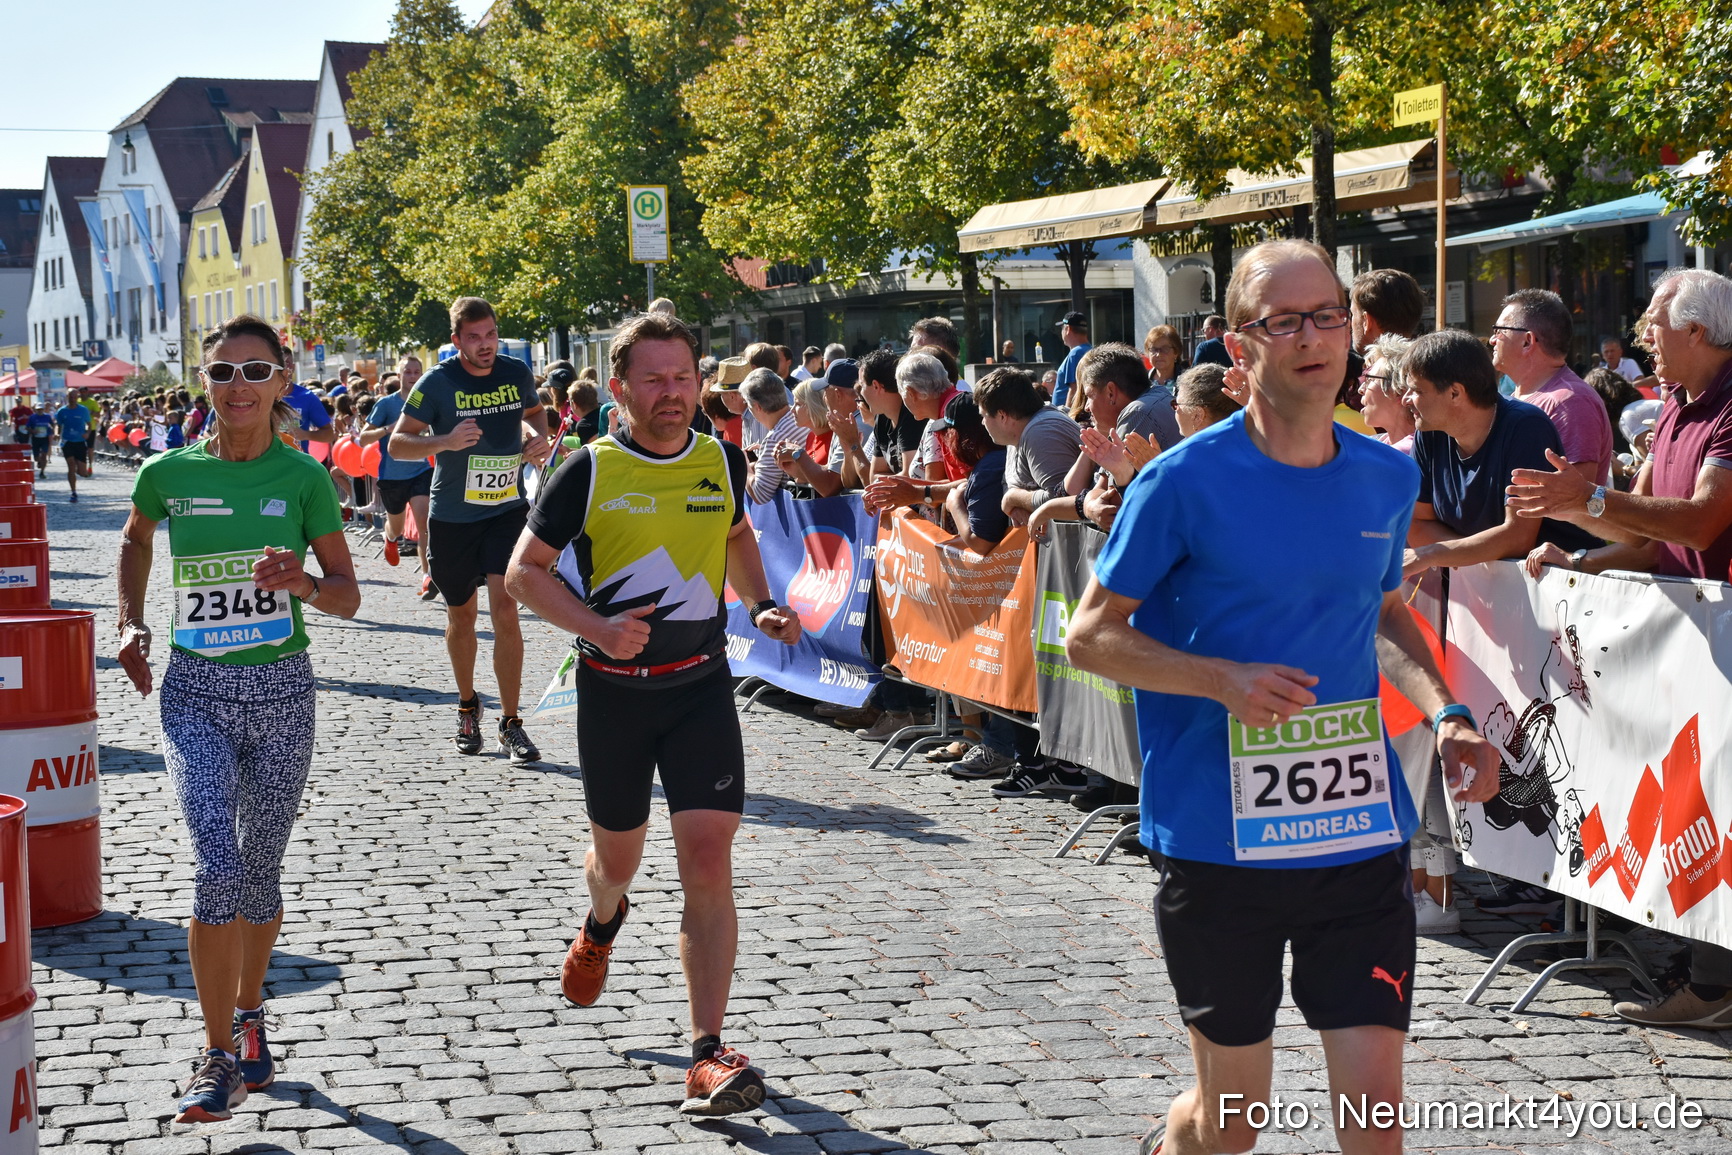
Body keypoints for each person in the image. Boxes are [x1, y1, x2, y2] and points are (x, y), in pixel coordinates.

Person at [1064, 239, 1499, 1155]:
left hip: (1354, 829)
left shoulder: (1385, 472)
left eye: (1328, 315)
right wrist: (1222, 680)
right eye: (1284, 321)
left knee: (1375, 1114)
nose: (1313, 337)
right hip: (1220, 838)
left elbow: (1383, 614)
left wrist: (1447, 712)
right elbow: (1091, 634)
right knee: (1232, 1122)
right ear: (1238, 344)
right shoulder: (1180, 481)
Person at [504, 311, 801, 1116]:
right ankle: (602, 921)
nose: (671, 394)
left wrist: (762, 603)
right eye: (654, 379)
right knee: (619, 864)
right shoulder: (589, 470)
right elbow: (523, 575)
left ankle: (707, 1052)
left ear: (700, 380)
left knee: (708, 859)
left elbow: (738, 536)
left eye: (683, 377)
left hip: (700, 686)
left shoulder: (721, 457)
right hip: (614, 696)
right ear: (623, 386)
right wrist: (598, 628)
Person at [115, 313, 360, 1123]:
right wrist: (131, 619)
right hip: (196, 693)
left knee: (260, 874)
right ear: (205, 384)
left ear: (283, 383)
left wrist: (302, 584)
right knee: (216, 866)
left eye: (256, 372)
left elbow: (348, 594)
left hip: (285, 691)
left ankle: (252, 1009)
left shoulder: (304, 478)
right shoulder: (168, 472)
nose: (239, 388)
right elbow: (136, 537)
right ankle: (217, 1052)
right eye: (223, 373)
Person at [1511, 269, 1732, 1029]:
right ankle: (1704, 971)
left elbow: (1701, 523)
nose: (1643, 338)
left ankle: (1711, 985)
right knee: (1693, 803)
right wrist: (1581, 553)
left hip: (1719, 642)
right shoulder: (1672, 407)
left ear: (1699, 332)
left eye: (1654, 325)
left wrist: (1588, 502)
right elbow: (1646, 536)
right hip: (1691, 646)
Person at [388, 297, 552, 763]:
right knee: (462, 617)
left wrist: (535, 439)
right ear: (457, 341)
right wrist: (446, 440)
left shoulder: (515, 372)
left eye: (491, 335)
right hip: (454, 518)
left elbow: (534, 412)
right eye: (474, 337)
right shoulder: (437, 383)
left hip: (505, 510)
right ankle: (467, 705)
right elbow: (399, 446)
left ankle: (511, 721)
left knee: (506, 610)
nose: (485, 345)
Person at [1401, 329, 1599, 581]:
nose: (1406, 399)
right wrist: (1463, 555)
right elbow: (1418, 523)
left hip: (1556, 595)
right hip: (1492, 596)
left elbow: (1517, 537)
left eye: (1416, 390)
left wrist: (1435, 554)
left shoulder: (1526, 427)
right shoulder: (1429, 431)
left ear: (1455, 393)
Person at [1491, 289, 1614, 486]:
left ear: (1527, 341)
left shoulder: (1569, 402)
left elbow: (1576, 499)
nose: (1492, 340)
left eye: (1499, 331)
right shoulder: (1519, 396)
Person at [358, 356, 437, 597]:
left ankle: (427, 576)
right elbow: (363, 439)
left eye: (417, 372)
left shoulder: (429, 402)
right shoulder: (386, 404)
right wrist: (387, 429)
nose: (413, 376)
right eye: (408, 372)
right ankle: (390, 537)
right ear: (399, 375)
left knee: (424, 524)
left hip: (421, 471)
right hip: (392, 475)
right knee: (397, 526)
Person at [982, 367, 1082, 532]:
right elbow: (1011, 481)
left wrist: (1014, 498)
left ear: (1002, 416)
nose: (982, 423)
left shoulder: (1041, 433)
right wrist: (1016, 503)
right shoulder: (1016, 431)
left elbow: (1065, 501)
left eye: (983, 415)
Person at [741, 368, 800, 502]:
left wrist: (742, 464)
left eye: (748, 407)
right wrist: (763, 455)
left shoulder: (775, 437)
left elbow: (760, 494)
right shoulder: (799, 417)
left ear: (758, 407)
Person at [1360, 335, 1416, 455]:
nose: (1361, 389)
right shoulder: (1379, 443)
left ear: (1399, 390)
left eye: (1369, 380)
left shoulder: (1407, 452)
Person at [54, 392, 92, 502]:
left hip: (80, 441)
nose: (72, 399)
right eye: (70, 397)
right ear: (67, 397)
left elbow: (89, 425)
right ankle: (73, 492)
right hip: (67, 441)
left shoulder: (83, 410)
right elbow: (59, 425)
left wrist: (87, 433)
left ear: (77, 398)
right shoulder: (62, 411)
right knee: (70, 466)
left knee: (82, 472)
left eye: (74, 397)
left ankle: (77, 469)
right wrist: (57, 433)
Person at [1051, 311, 1091, 409]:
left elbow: (1074, 388)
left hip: (1068, 417)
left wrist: (1068, 417)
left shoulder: (1075, 353)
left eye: (1062, 328)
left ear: (1068, 329)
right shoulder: (1090, 350)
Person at [28, 404, 55, 475]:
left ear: (43, 409)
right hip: (36, 439)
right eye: (38, 410)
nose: (40, 411)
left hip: (45, 438)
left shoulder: (47, 416)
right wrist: (32, 431)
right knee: (36, 458)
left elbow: (52, 424)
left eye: (41, 409)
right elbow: (27, 427)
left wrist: (52, 430)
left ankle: (42, 472)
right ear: (36, 410)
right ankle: (39, 461)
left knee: (44, 455)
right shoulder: (32, 417)